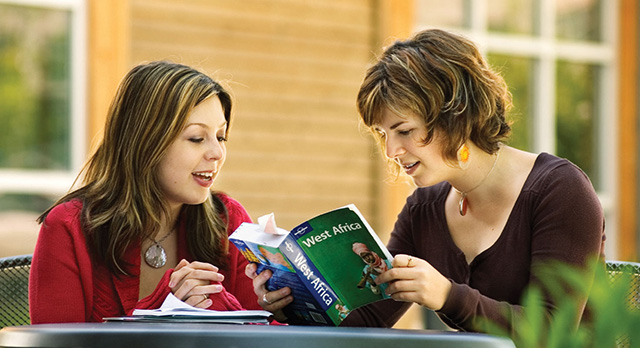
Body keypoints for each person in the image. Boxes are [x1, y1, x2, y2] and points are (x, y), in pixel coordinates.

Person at [246, 29, 605, 334]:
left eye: (404, 131)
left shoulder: (559, 191)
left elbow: (553, 330)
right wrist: (290, 303)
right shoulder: (425, 209)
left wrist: (448, 296)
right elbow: (370, 320)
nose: (390, 150)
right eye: (382, 134)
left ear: (456, 117)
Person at [30, 61, 262, 323]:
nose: (217, 154)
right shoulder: (68, 227)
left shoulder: (227, 219)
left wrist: (280, 307)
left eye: (220, 137)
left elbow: (264, 333)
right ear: (147, 141)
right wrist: (163, 311)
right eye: (196, 138)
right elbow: (56, 343)